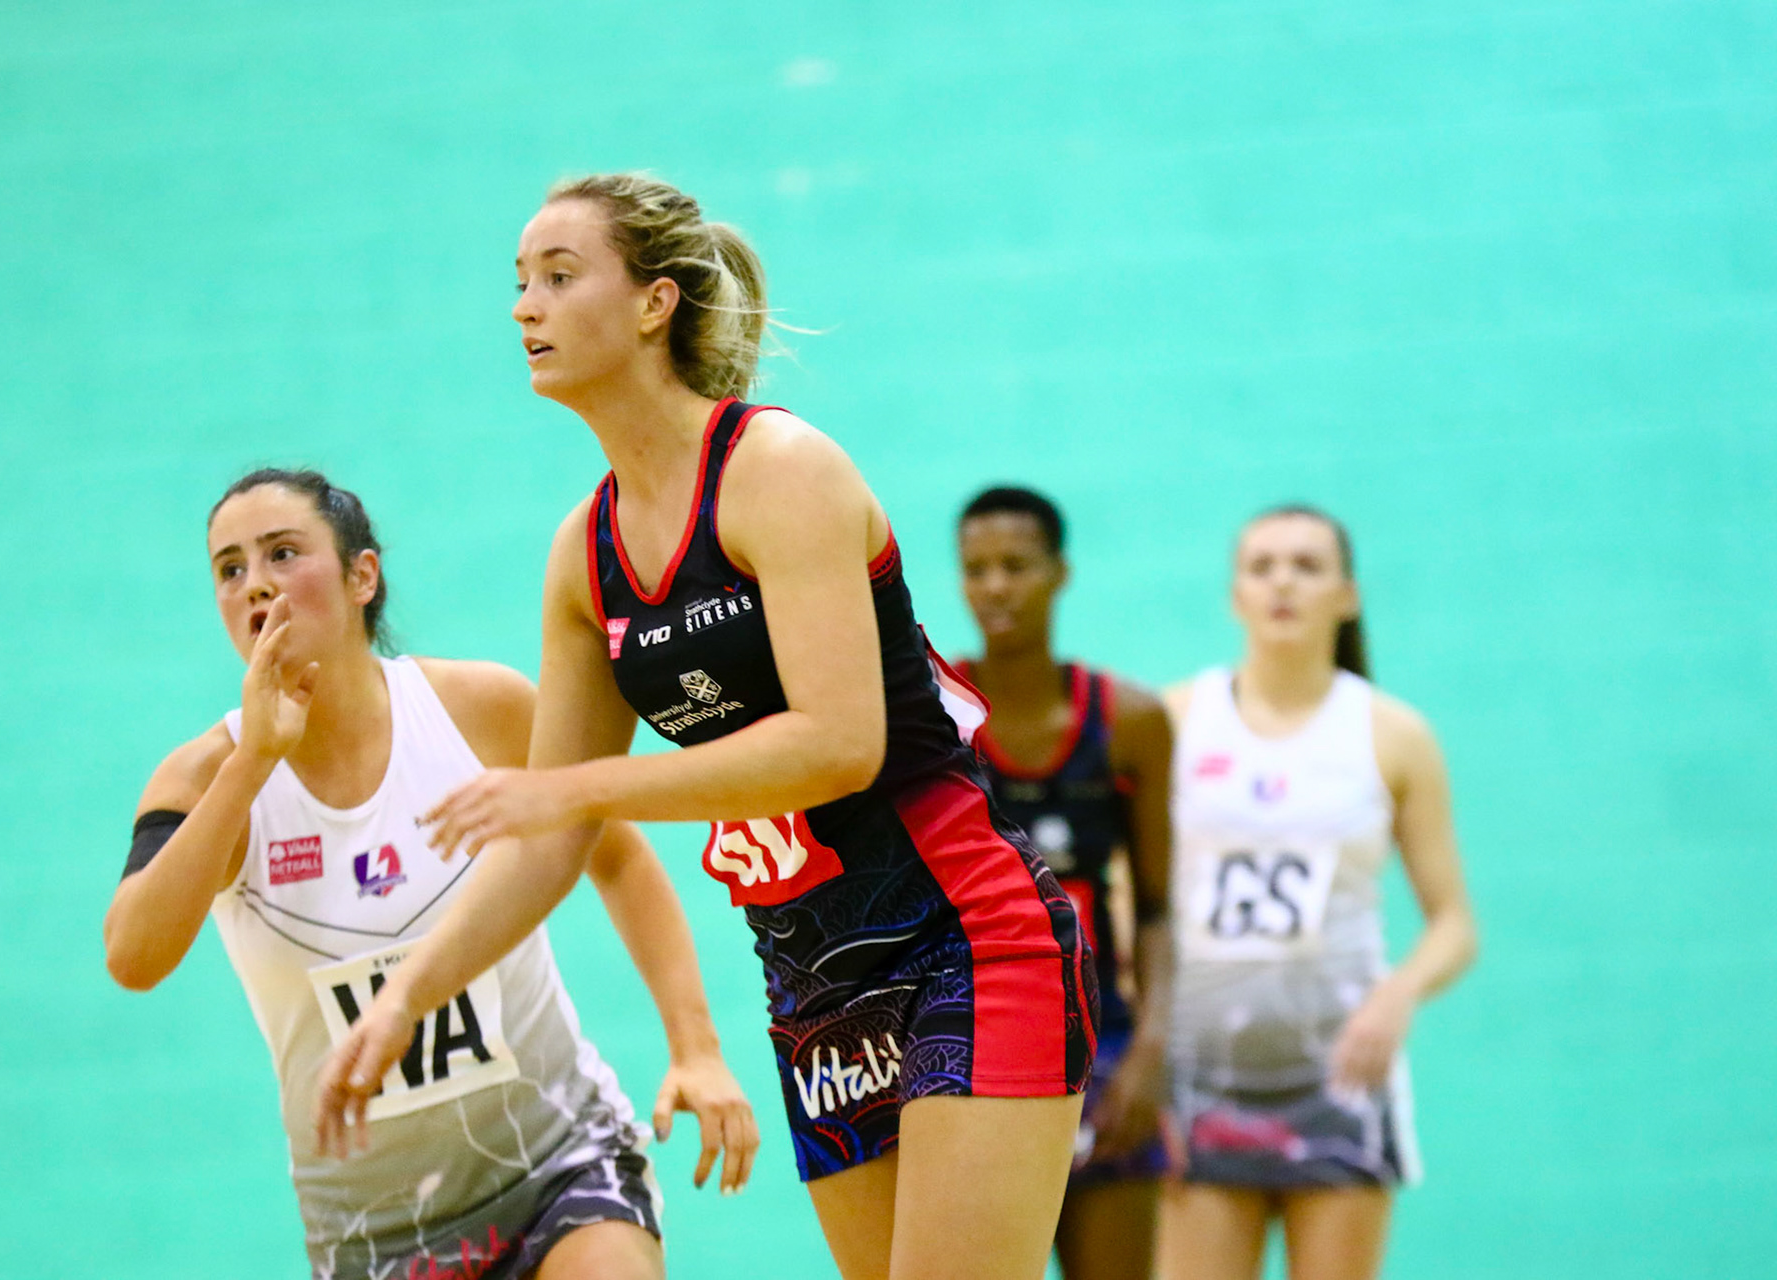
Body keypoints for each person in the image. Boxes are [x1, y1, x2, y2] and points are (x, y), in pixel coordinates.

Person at [312, 174, 1097, 1280]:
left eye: (558, 276)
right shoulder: (583, 556)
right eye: (520, 282)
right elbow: (549, 843)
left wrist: (580, 787)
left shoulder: (777, 468)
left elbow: (838, 743)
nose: (524, 305)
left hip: (963, 940)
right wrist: (405, 997)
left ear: (654, 302)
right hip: (814, 986)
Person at [103, 468, 758, 1280]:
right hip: (376, 1231)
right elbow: (133, 956)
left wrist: (696, 1049)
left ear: (361, 576)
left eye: (283, 553)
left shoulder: (477, 707)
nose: (256, 585)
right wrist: (255, 761)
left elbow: (616, 855)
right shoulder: (204, 777)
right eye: (229, 569)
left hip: (559, 1162)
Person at [1156, 505, 1479, 1280]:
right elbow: (1130, 903)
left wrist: (1397, 995)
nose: (1283, 584)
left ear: (1348, 594)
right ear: (1235, 593)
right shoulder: (1174, 720)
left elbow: (1454, 924)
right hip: (1197, 1079)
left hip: (1341, 1079)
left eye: (1306, 566)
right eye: (1262, 566)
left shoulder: (1394, 735)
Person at [954, 486, 1173, 1280]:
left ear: (1059, 574)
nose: (996, 587)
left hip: (1104, 1048)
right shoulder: (935, 719)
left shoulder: (1132, 721)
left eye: (1016, 565)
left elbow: (1158, 908)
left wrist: (1152, 1052)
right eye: (977, 569)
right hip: (971, 1051)